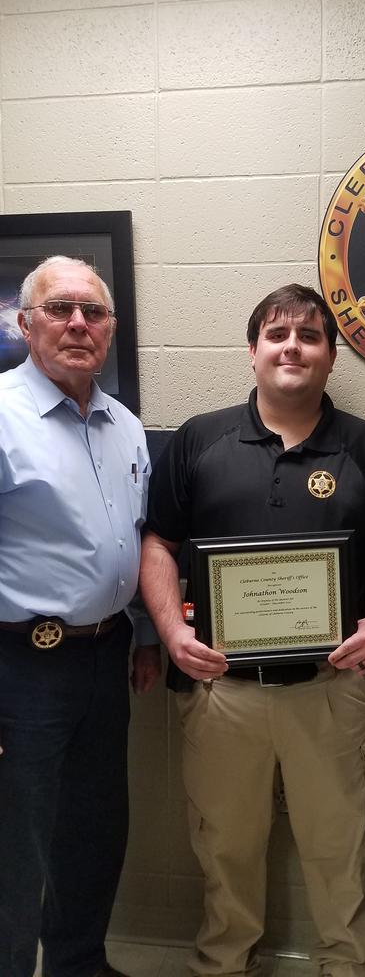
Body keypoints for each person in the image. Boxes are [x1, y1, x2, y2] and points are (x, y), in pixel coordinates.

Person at [140, 283, 365, 977]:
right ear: (253, 351)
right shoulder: (201, 439)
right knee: (224, 847)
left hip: (330, 688)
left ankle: (350, 963)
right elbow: (157, 547)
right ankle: (222, 964)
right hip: (222, 692)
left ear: (329, 355)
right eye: (276, 333)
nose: (292, 345)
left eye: (309, 335)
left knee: (340, 845)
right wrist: (171, 633)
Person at [0, 256, 161, 977]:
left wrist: (147, 635)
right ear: (24, 323)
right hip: (18, 665)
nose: (77, 324)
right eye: (60, 309)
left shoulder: (123, 424)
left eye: (92, 313)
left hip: (105, 659)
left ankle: (77, 964)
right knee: (14, 841)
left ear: (110, 329)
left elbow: (135, 539)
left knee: (94, 830)